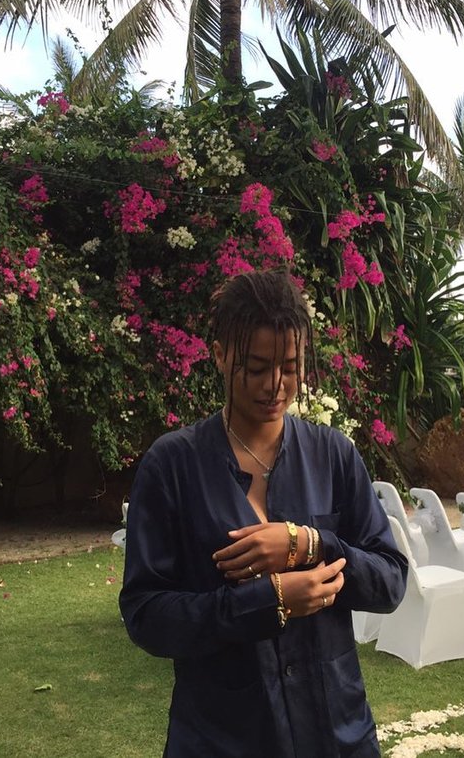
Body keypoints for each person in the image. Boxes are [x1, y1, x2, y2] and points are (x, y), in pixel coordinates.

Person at [119, 267, 408, 757]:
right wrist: (266, 601)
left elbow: (391, 581)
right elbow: (146, 615)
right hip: (222, 738)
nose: (276, 385)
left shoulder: (334, 455)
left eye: (290, 367)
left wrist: (311, 543)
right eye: (256, 367)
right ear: (219, 355)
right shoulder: (173, 465)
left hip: (336, 733)